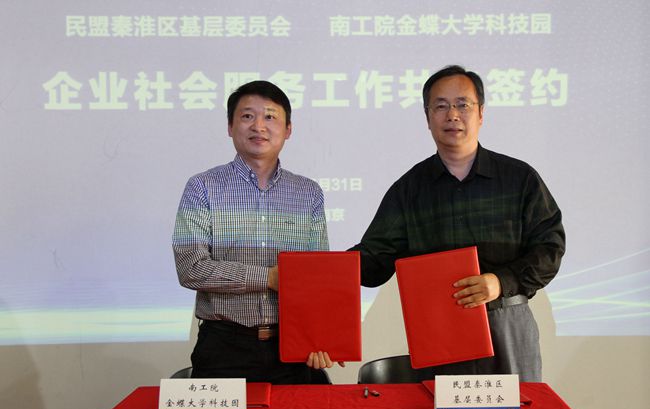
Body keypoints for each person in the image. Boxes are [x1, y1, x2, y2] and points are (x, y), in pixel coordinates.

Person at [350, 65, 565, 382]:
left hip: (507, 321)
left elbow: (550, 248)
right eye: (440, 106)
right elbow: (373, 260)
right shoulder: (409, 189)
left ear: (481, 113)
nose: (452, 115)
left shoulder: (519, 179)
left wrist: (499, 281)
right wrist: (322, 273)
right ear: (427, 118)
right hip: (440, 328)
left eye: (462, 104)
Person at [173, 80, 338, 383]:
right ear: (230, 126)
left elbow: (317, 275)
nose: (258, 126)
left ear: (288, 129)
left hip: (294, 346)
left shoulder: (308, 193)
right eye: (247, 116)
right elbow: (191, 268)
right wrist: (268, 278)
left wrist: (320, 335)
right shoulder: (202, 187)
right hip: (224, 346)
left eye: (270, 117)